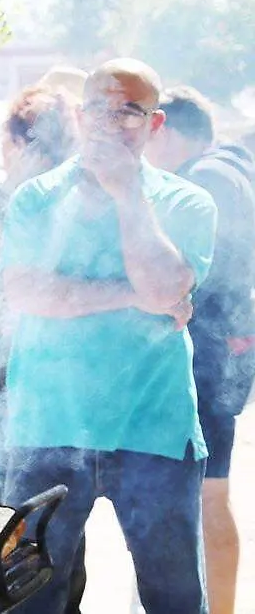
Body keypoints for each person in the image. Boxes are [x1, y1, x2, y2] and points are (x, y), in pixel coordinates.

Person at [1, 59, 217, 614]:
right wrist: (132, 295)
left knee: (174, 600)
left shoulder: (187, 203)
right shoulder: (35, 198)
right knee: (28, 599)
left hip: (154, 429)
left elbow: (167, 283)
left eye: (130, 110)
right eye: (100, 107)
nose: (112, 122)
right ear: (79, 115)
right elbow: (28, 292)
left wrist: (126, 194)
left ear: (156, 123)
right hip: (46, 427)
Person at [145, 86, 255, 614]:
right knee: (210, 494)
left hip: (211, 359)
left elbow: (204, 276)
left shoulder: (207, 178)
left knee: (208, 495)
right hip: (226, 355)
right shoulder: (234, 167)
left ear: (170, 132)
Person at [0, 85, 78, 504]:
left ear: (17, 143)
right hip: (68, 363)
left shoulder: (1, 204)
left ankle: (18, 569)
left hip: (8, 362)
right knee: (59, 502)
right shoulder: (80, 197)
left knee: (8, 499)